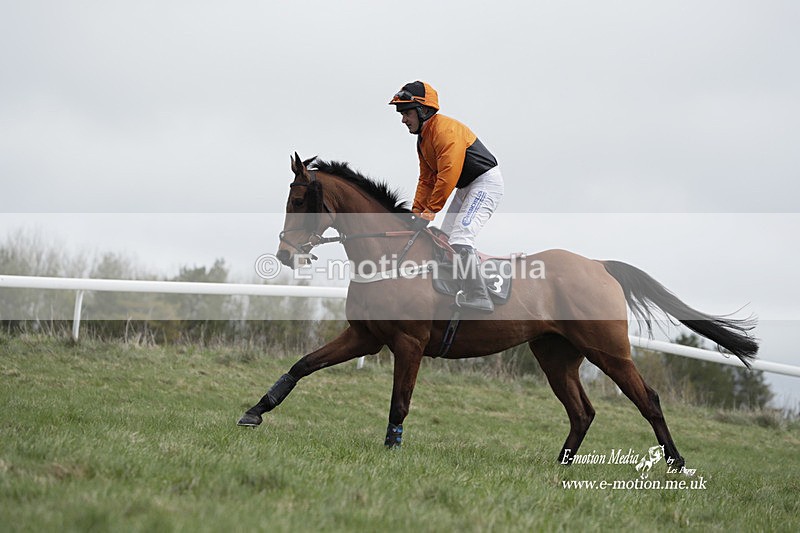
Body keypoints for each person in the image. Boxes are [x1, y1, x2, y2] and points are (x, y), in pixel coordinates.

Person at [389, 81, 504, 313]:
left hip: (484, 184)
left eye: (407, 113)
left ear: (423, 110)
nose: (403, 120)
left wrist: (429, 213)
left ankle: (480, 295)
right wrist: (416, 213)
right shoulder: (423, 139)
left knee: (461, 238)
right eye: (401, 114)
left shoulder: (444, 132)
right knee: (445, 239)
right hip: (466, 188)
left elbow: (447, 176)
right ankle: (457, 286)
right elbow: (426, 179)